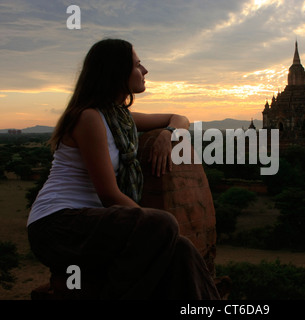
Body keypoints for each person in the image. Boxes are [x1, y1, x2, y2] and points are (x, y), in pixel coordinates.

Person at [27, 38, 220, 300]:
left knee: (182, 248)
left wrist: (168, 134)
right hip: (58, 225)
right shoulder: (89, 117)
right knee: (163, 226)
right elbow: (109, 194)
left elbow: (180, 118)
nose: (145, 71)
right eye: (138, 65)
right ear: (116, 71)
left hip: (94, 224)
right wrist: (160, 229)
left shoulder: (120, 117)